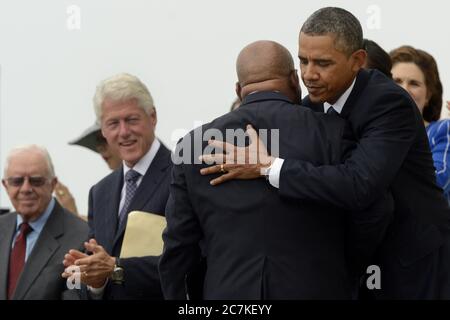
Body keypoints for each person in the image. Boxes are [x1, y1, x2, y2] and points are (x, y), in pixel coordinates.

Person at [199, 7, 450, 299]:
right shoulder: (309, 108)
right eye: (302, 61)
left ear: (357, 61)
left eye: (322, 63)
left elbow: (359, 184)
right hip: (354, 267)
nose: (308, 74)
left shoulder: (389, 103)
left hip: (413, 265)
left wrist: (269, 168)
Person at [159, 40, 392, 299]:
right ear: (294, 80)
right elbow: (375, 209)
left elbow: (178, 247)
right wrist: (343, 266)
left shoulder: (192, 145)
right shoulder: (334, 132)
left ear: (239, 89)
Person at [61, 73, 172, 300]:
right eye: (113, 123)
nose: (123, 132)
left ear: (153, 117)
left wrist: (115, 267)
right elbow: (93, 278)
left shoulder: (183, 176)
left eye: (131, 119)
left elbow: (192, 260)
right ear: (102, 129)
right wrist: (94, 279)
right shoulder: (100, 192)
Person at [0, 145, 88, 299]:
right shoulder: (2, 226)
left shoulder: (81, 238)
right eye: (16, 181)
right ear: (5, 185)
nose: (26, 188)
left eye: (36, 181)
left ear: (53, 184)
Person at [390, 46, 450, 204]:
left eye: (414, 84)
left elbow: (435, 184)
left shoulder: (442, 130)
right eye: (396, 81)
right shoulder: (367, 134)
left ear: (428, 95)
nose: (404, 90)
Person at [55, 123, 122, 216]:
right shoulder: (105, 192)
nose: (100, 147)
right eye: (98, 142)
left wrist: (72, 216)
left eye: (104, 139)